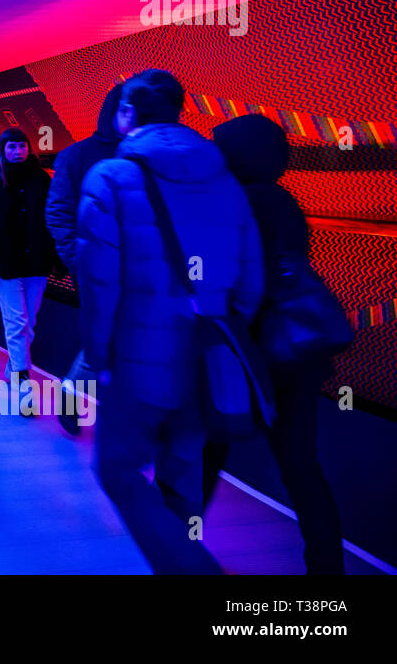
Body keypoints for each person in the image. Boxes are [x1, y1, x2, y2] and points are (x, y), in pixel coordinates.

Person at [78, 69, 263, 574]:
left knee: (117, 469)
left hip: (138, 359)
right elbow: (250, 279)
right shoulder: (224, 179)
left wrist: (97, 355)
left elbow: (99, 283)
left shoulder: (110, 178)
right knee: (182, 475)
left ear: (127, 115)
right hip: (208, 361)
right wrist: (216, 332)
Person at [207, 114, 345, 575]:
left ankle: (176, 548)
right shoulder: (287, 202)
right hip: (301, 353)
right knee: (302, 466)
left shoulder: (236, 202)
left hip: (253, 353)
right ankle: (327, 570)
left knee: (208, 446)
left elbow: (233, 284)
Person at [44, 84, 124, 434]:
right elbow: (58, 211)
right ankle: (72, 393)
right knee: (103, 337)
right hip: (96, 268)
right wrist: (79, 261)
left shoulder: (144, 155)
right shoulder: (78, 156)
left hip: (138, 267)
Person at [0, 127, 56, 394]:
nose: (18, 151)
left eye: (22, 146)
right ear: (3, 149)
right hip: (5, 262)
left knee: (29, 321)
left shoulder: (42, 179)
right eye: (12, 147)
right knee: (17, 320)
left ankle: (14, 366)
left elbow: (52, 219)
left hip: (36, 261)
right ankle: (24, 380)